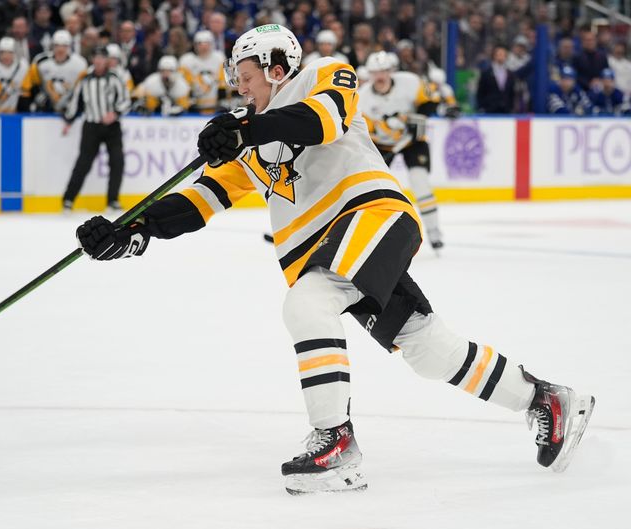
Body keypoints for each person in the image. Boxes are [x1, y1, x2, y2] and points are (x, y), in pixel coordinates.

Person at [72, 24, 595, 495]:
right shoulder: (248, 136)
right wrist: (132, 230)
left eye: (246, 75)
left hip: (371, 218)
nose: (239, 85)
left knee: (307, 302)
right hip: (336, 248)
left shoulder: (324, 73)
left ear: (278, 68)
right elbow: (203, 198)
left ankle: (336, 443)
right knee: (426, 348)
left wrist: (247, 130)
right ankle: (542, 401)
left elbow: (323, 120)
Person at [358, 51, 448, 250]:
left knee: (420, 182)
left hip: (412, 142)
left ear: (391, 71)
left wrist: (419, 118)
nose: (380, 76)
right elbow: (364, 130)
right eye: (375, 72)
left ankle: (434, 232)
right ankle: (374, 235)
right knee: (374, 188)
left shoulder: (410, 82)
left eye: (383, 71)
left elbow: (431, 100)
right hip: (381, 145)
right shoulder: (361, 98)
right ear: (369, 74)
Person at [62, 47, 130, 211]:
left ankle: (112, 200)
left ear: (107, 60)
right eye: (96, 57)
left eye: (101, 58)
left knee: (117, 162)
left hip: (112, 126)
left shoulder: (114, 78)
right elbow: (76, 103)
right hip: (91, 126)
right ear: (92, 60)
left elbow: (126, 100)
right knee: (83, 163)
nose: (98, 61)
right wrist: (69, 120)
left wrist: (115, 113)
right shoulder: (85, 79)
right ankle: (68, 199)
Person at [20, 30, 87, 113]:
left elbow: (83, 89)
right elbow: (29, 86)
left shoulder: (80, 64)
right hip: (46, 107)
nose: (60, 49)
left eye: (64, 46)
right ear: (52, 46)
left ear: (70, 46)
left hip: (71, 107)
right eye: (57, 45)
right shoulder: (41, 61)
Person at [178, 30, 226, 114]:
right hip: (194, 106)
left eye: (206, 44)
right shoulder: (186, 60)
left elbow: (223, 80)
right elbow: (183, 84)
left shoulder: (219, 58)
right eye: (200, 44)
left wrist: (223, 98)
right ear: (195, 45)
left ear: (212, 44)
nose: (204, 47)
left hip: (216, 105)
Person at [476, 43, 516, 113]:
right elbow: (480, 91)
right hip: (490, 109)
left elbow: (511, 93)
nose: (501, 57)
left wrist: (511, 107)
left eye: (503, 54)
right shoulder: (486, 73)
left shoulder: (510, 74)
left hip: (505, 110)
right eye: (499, 54)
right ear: (494, 56)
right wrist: (481, 107)